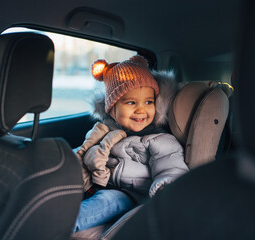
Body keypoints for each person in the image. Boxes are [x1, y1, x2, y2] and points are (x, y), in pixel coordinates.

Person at [73, 55, 189, 232]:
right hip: (95, 185)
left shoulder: (160, 139)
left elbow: (170, 166)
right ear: (112, 108)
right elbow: (83, 153)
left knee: (107, 201)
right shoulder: (103, 132)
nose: (141, 109)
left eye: (149, 102)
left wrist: (165, 185)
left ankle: (54, 227)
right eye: (131, 102)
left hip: (129, 195)